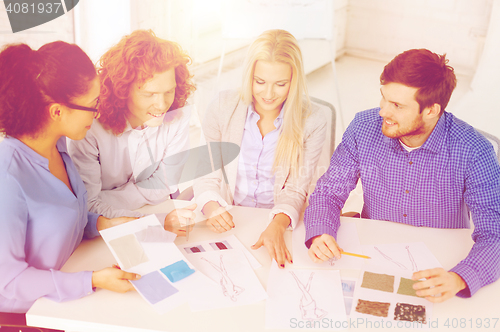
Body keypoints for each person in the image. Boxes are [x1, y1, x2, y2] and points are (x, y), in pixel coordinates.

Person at [304, 48, 500, 302]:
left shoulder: (475, 151)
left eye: (397, 105)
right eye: (384, 98)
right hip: (374, 252)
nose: (383, 112)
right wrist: (320, 232)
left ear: (431, 110)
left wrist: (460, 277)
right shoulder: (363, 127)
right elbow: (329, 192)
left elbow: (495, 233)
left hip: (440, 262)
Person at [0, 41, 141, 315]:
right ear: (57, 111)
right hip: (28, 314)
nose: (97, 113)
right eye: (92, 105)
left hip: (71, 286)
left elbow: (59, 220)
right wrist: (92, 280)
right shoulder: (7, 177)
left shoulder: (59, 147)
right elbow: (9, 282)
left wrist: (104, 223)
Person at [194, 29, 327, 268]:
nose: (267, 94)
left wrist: (277, 224)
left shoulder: (313, 120)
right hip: (230, 215)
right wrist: (212, 207)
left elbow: (297, 189)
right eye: (260, 81)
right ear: (250, 76)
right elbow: (206, 172)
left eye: (280, 84)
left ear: (294, 81)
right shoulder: (222, 107)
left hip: (279, 219)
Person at [69, 30, 197, 236]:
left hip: (158, 213)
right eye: (149, 94)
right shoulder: (89, 127)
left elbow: (165, 186)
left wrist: (111, 197)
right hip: (107, 230)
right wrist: (152, 219)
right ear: (122, 89)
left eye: (169, 91)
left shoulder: (177, 115)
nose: (162, 104)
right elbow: (88, 205)